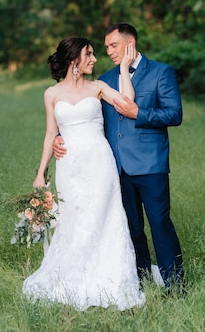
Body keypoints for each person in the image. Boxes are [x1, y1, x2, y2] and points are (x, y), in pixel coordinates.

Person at [53, 23, 185, 293]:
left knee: (160, 223)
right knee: (130, 226)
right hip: (113, 166)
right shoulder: (105, 79)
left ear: (130, 43)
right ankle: (140, 277)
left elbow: (174, 114)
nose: (109, 52)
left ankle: (174, 282)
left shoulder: (161, 72)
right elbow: (83, 115)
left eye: (113, 46)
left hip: (150, 164)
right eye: (106, 48)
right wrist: (58, 136)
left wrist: (141, 114)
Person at [23, 36, 145, 311]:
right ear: (74, 59)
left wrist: (125, 68)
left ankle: (108, 276)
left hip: (100, 163)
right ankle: (72, 275)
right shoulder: (51, 94)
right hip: (69, 166)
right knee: (73, 218)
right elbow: (50, 134)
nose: (94, 59)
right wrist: (40, 173)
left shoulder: (98, 87)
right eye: (89, 54)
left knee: (104, 217)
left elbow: (127, 102)